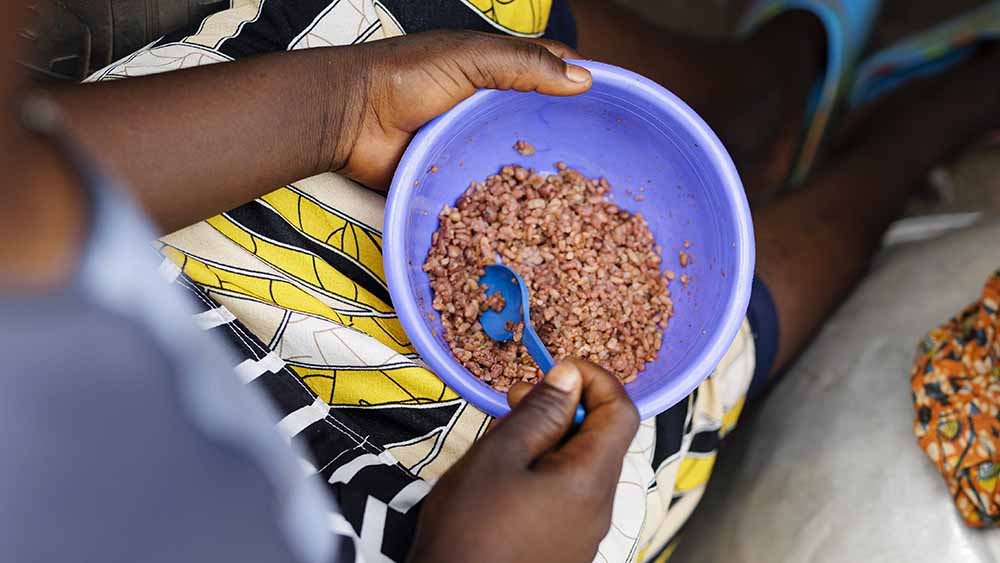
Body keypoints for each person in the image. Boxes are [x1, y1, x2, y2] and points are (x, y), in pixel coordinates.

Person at [3, 1, 998, 562]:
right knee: (676, 394)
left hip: (182, 229)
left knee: (407, 24)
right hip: (418, 511)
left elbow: (30, 181)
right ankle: (898, 147)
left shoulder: (34, 213)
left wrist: (343, 105)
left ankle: (764, 95)